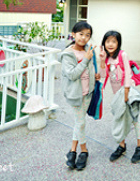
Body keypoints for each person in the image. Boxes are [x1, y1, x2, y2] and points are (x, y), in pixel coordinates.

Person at [99, 30, 140, 164]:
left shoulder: (122, 54)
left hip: (128, 91)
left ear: (118, 43)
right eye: (108, 41)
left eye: (114, 41)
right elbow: (103, 74)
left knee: (135, 118)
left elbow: (128, 74)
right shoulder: (107, 57)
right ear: (104, 43)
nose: (110, 44)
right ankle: (122, 146)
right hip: (117, 93)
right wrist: (102, 60)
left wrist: (126, 92)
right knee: (119, 118)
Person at [60, 21, 97, 170]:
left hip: (87, 93)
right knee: (80, 123)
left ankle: (73, 150)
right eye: (81, 34)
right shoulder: (68, 54)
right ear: (73, 34)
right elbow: (73, 75)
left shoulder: (88, 49)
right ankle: (84, 151)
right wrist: (87, 59)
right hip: (76, 95)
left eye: (87, 35)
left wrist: (95, 75)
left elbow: (88, 70)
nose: (84, 38)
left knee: (79, 122)